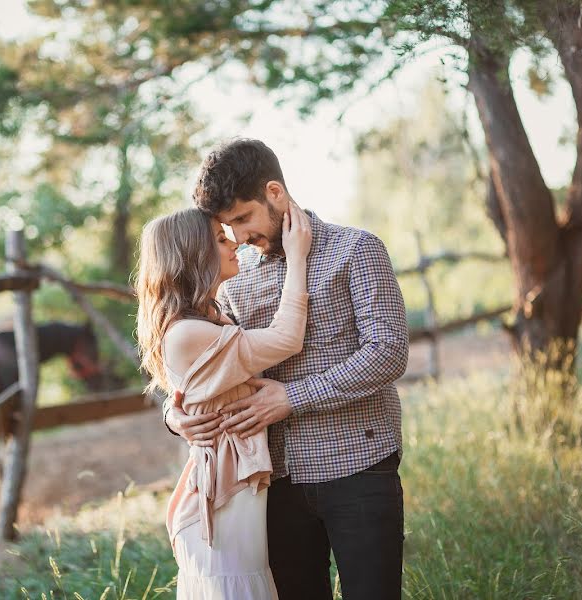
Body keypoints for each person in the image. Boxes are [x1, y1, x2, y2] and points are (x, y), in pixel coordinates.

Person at [165, 138, 409, 599]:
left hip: (358, 467)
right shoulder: (237, 276)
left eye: (242, 219)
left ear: (275, 193)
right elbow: (207, 363)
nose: (237, 236)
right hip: (274, 485)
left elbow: (388, 352)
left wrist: (293, 397)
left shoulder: (356, 250)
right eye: (227, 226)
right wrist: (175, 416)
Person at [135, 201, 312, 599]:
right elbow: (286, 339)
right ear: (194, 256)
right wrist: (297, 257)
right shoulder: (187, 333)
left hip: (232, 494)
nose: (233, 242)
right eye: (219, 238)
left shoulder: (212, 320)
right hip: (220, 505)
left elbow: (188, 399)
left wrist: (174, 414)